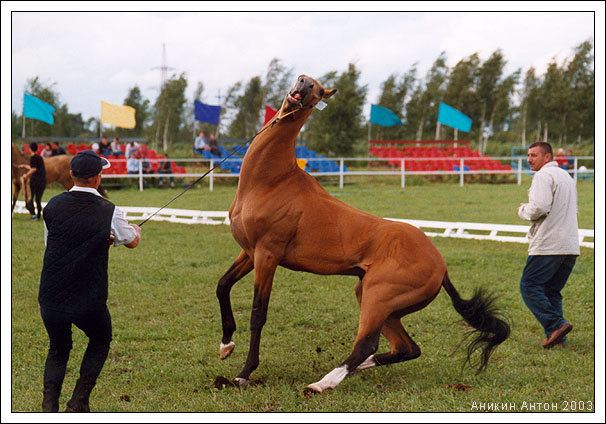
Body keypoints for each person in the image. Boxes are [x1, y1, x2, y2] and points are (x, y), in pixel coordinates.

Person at [39, 150, 141, 412]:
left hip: (51, 295)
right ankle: (79, 401)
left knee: (58, 348)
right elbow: (131, 241)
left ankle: (49, 407)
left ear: (72, 175)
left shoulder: (51, 206)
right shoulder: (110, 210)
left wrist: (99, 237)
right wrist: (135, 230)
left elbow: (54, 243)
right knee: (100, 338)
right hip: (88, 295)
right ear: (98, 178)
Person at [517, 141, 580, 349]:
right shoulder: (567, 177)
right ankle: (558, 338)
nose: (529, 159)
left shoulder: (543, 176)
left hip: (549, 244)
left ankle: (556, 325)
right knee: (552, 290)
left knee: (529, 286)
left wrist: (523, 209)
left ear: (547, 157)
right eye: (528, 155)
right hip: (570, 244)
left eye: (534, 155)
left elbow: (539, 208)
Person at [19, 142, 47, 220]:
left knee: (30, 199)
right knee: (38, 199)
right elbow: (34, 167)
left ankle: (34, 215)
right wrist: (24, 166)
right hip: (42, 181)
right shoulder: (39, 157)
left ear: (30, 149)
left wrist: (26, 175)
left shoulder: (33, 157)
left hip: (35, 181)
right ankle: (38, 216)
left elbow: (34, 169)